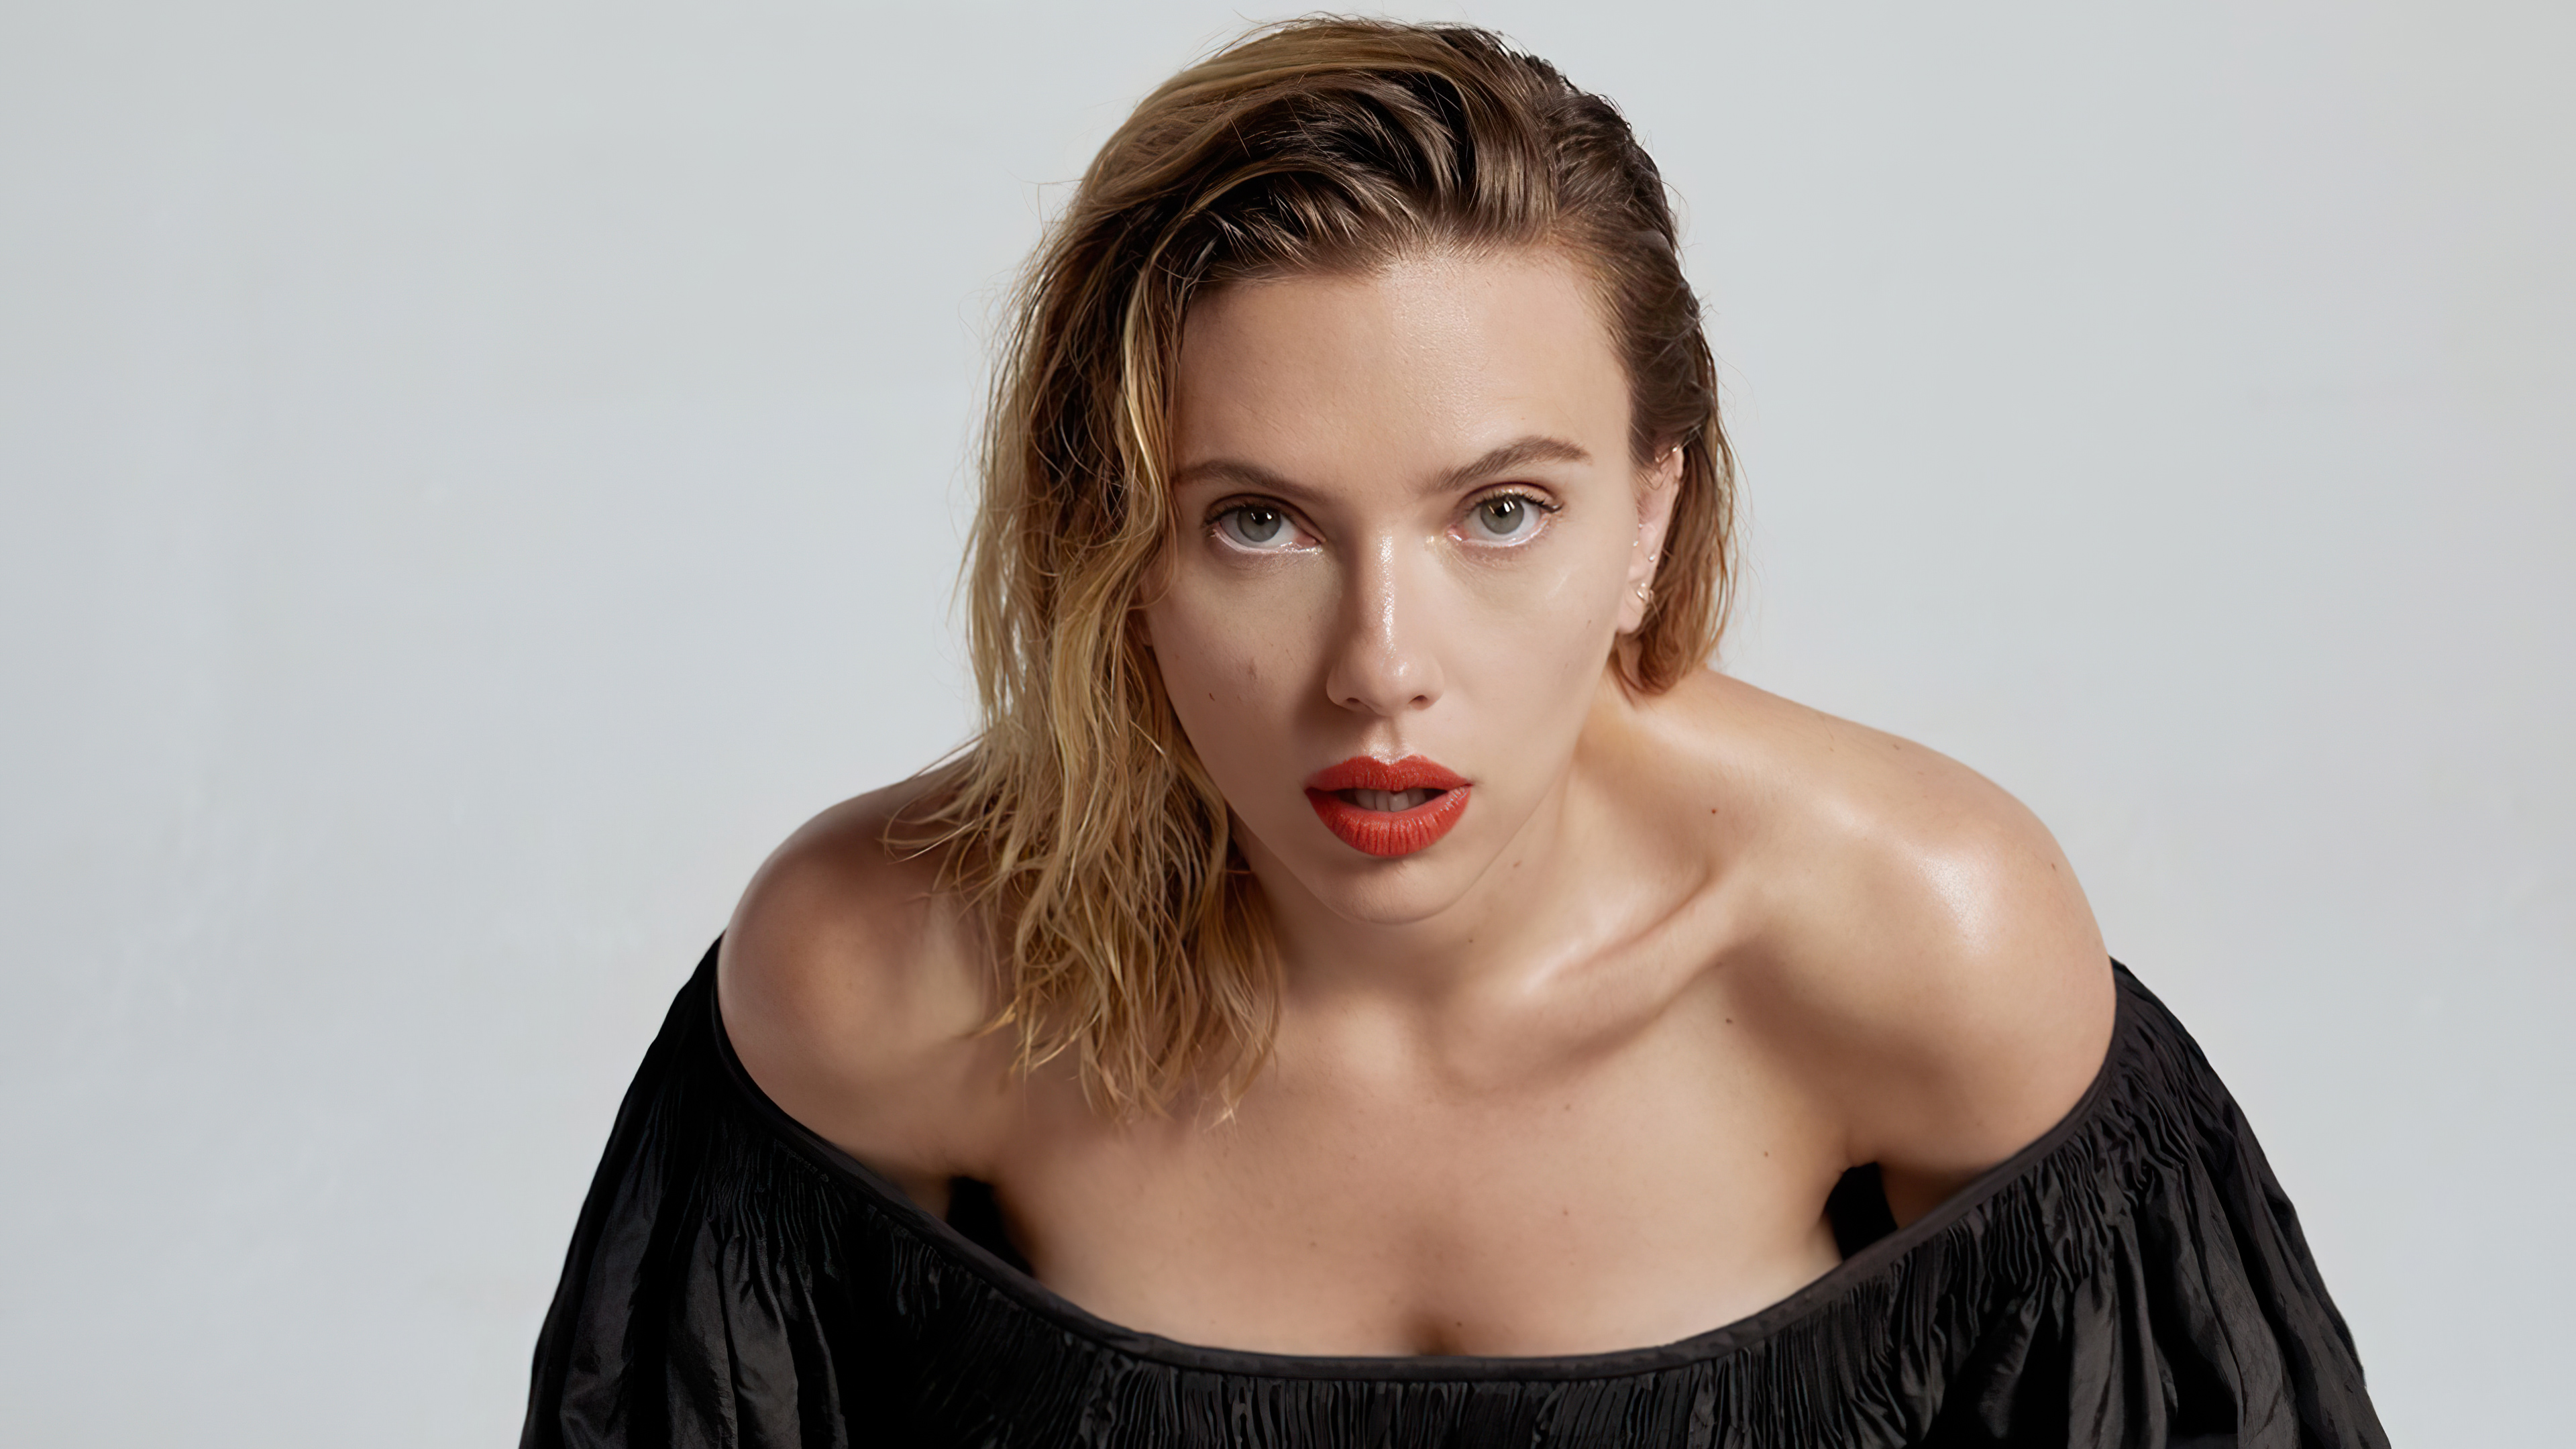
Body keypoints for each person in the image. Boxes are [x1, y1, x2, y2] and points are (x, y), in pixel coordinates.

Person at [522, 19, 2385, 1447]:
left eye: (1501, 511)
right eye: (1259, 522)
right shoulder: (877, 976)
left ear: (1648, 517)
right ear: (1116, 546)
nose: (1380, 668)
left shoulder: (1925, 943)